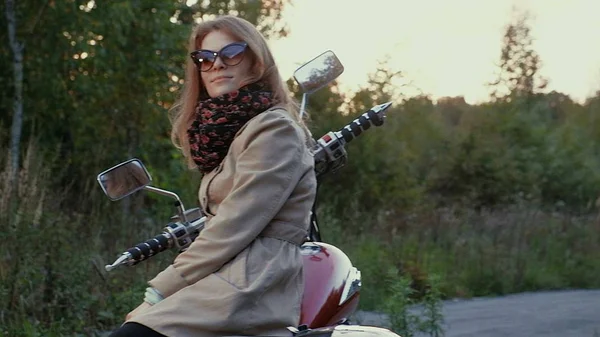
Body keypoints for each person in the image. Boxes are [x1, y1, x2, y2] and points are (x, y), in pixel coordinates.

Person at [109, 15, 317, 337]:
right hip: (226, 274)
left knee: (134, 334)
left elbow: (235, 221)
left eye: (230, 52)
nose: (216, 65)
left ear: (256, 61)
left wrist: (159, 292)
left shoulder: (275, 129)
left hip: (252, 282)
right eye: (205, 58)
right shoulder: (232, 134)